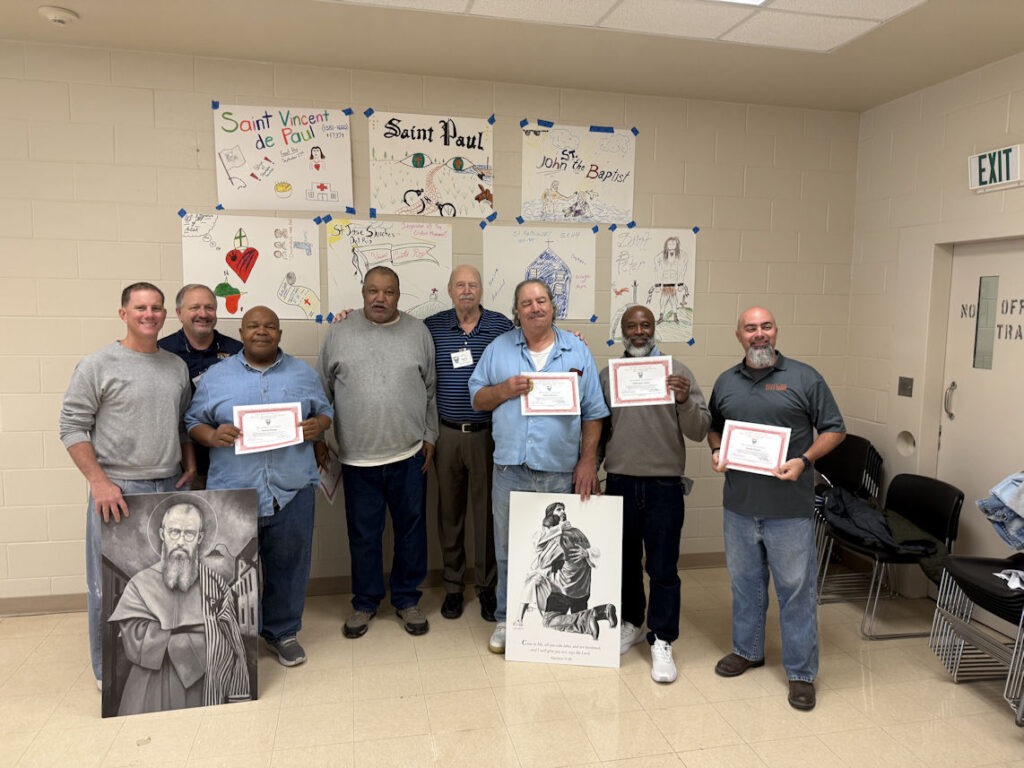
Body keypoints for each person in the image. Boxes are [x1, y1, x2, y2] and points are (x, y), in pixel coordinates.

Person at [707, 306, 846, 712]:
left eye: (765, 326)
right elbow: (715, 426)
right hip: (739, 505)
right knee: (745, 586)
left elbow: (835, 429)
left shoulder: (804, 377)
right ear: (738, 335)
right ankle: (747, 650)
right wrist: (717, 450)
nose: (759, 334)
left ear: (776, 331)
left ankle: (801, 673)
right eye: (750, 328)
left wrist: (804, 459)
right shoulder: (726, 381)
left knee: (796, 592)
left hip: (789, 508)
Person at [59, 282, 195, 690]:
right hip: (117, 489)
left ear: (165, 314)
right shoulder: (97, 365)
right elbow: (72, 427)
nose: (149, 315)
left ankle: (160, 664)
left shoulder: (175, 366)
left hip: (167, 485)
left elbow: (181, 422)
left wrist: (188, 464)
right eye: (140, 308)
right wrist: (99, 482)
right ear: (123, 314)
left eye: (156, 308)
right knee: (111, 584)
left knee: (165, 581)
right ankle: (108, 672)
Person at [469, 278, 609, 655]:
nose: (535, 308)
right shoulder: (499, 349)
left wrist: (588, 460)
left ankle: (553, 623)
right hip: (510, 468)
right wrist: (504, 390)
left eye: (541, 300)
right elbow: (477, 397)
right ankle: (506, 620)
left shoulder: (577, 350)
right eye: (526, 303)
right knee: (508, 548)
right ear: (517, 311)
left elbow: (594, 412)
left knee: (559, 554)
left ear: (552, 306)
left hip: (559, 470)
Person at [186, 305, 332, 666]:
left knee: (290, 566)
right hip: (235, 490)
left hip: (292, 488)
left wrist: (319, 426)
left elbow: (325, 412)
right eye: (253, 326)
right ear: (241, 333)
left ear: (280, 334)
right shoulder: (216, 377)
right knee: (231, 572)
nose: (261, 331)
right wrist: (212, 435)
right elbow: (193, 422)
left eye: (270, 326)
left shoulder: (303, 373)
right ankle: (234, 641)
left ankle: (283, 633)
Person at [317, 266, 438, 638]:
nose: (380, 298)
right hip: (357, 458)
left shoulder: (418, 332)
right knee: (364, 536)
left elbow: (430, 389)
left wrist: (430, 436)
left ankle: (407, 599)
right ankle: (365, 602)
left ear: (398, 295)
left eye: (388, 291)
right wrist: (321, 440)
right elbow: (322, 391)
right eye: (373, 290)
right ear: (363, 293)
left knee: (411, 533)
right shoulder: (339, 333)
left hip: (409, 455)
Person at [600, 305, 710, 683]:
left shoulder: (678, 372)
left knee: (663, 567)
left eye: (645, 324)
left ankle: (662, 638)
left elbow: (699, 430)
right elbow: (597, 430)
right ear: (621, 331)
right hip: (620, 482)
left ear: (654, 328)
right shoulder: (608, 376)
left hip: (664, 485)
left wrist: (684, 400)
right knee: (625, 561)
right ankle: (632, 621)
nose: (639, 331)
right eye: (631, 325)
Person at [423, 265, 513, 622]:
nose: (466, 290)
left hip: (488, 435)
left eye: (472, 285)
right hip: (446, 434)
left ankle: (487, 587)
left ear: (481, 290)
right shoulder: (431, 327)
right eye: (460, 285)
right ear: (449, 290)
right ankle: (453, 587)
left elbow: (535, 343)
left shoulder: (501, 326)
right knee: (450, 514)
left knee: (489, 516)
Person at [108, 500, 250, 714]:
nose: (181, 541)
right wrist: (198, 634)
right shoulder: (139, 583)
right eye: (174, 532)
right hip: (148, 688)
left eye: (189, 534)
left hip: (204, 687)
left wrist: (166, 635)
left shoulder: (215, 584)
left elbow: (231, 639)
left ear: (200, 538)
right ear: (162, 534)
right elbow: (133, 636)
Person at [159, 283, 243, 490]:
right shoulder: (162, 352)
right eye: (195, 307)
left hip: (230, 459)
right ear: (179, 313)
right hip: (178, 464)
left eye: (209, 308)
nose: (203, 314)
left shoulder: (237, 351)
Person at [517, 502, 617, 638]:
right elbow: (592, 552)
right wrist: (587, 553)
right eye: (559, 509)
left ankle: (588, 620)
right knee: (577, 623)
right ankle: (603, 611)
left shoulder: (559, 538)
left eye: (563, 509)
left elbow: (543, 562)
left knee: (549, 621)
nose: (563, 511)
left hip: (563, 589)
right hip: (582, 590)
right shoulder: (578, 532)